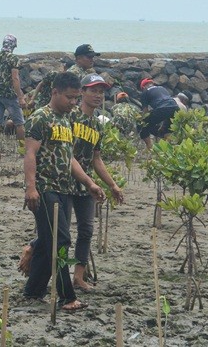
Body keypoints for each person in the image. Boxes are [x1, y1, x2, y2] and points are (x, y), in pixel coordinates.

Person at [22, 72, 104, 312]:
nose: (73, 103)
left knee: (50, 242)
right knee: (61, 241)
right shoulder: (41, 118)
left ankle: (33, 290)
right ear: (55, 92)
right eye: (69, 97)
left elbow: (70, 160)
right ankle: (66, 297)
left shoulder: (67, 120)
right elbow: (30, 155)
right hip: (45, 189)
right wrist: (31, 188)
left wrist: (90, 183)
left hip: (64, 189)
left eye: (76, 98)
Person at [69, 74, 125, 292]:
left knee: (86, 230)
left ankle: (79, 277)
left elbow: (96, 159)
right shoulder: (71, 116)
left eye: (101, 91)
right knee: (59, 233)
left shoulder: (97, 125)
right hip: (64, 180)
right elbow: (65, 154)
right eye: (93, 90)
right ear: (82, 92)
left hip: (85, 185)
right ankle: (52, 272)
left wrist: (112, 185)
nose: (98, 95)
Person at [0, 34, 25, 145]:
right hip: (9, 94)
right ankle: (22, 149)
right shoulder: (13, 58)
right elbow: (15, 78)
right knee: (19, 122)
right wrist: (20, 96)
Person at [138, 78, 180, 150]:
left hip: (162, 108)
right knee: (167, 129)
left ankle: (150, 148)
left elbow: (145, 112)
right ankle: (168, 150)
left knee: (142, 126)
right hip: (175, 108)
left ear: (144, 87)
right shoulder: (162, 88)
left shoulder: (145, 93)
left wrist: (141, 118)